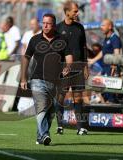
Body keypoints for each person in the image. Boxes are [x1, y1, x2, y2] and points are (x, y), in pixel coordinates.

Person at [20, 13, 73, 145]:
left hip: (56, 81)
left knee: (52, 110)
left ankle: (40, 136)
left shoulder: (63, 39)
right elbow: (26, 58)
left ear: (54, 25)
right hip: (37, 79)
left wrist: (68, 67)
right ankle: (45, 135)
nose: (45, 26)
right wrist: (23, 77)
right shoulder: (34, 39)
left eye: (48, 23)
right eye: (43, 23)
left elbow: (69, 57)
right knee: (42, 107)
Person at [55, 1, 89, 135]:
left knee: (78, 97)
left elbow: (84, 47)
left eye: (77, 11)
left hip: (79, 67)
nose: (77, 13)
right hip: (63, 68)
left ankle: (80, 127)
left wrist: (86, 66)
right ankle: (59, 126)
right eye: (75, 11)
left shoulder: (80, 28)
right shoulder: (57, 28)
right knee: (61, 97)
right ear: (67, 12)